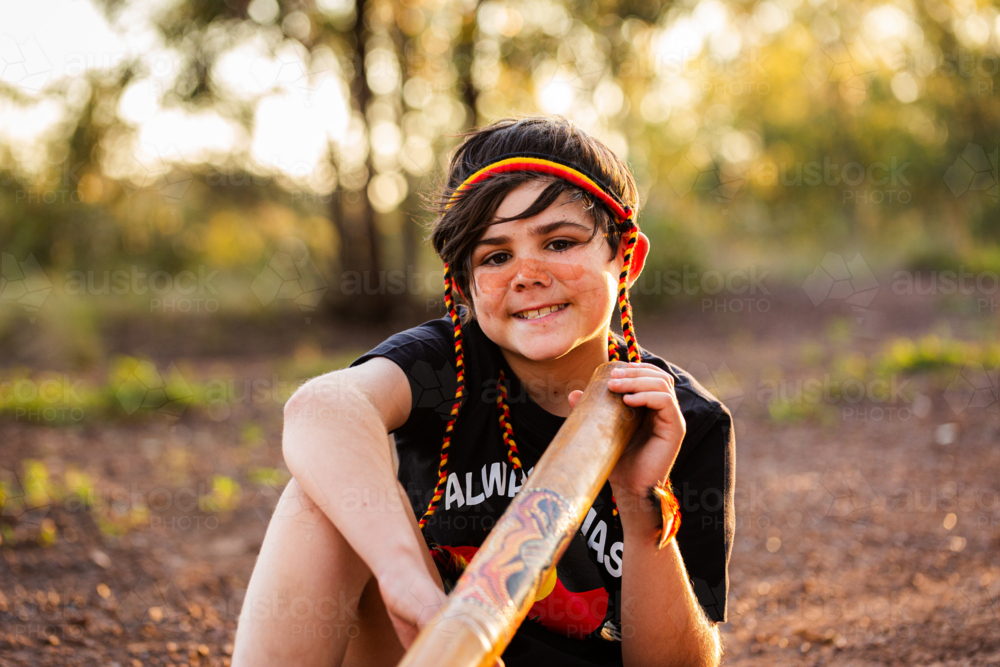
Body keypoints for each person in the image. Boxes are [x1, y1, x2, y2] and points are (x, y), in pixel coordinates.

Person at [233, 115, 735, 667]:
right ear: (464, 284)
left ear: (627, 258)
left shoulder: (679, 417)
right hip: (440, 652)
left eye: (560, 242)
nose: (527, 273)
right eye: (496, 256)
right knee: (321, 498)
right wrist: (412, 588)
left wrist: (644, 510)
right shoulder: (443, 365)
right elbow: (320, 408)